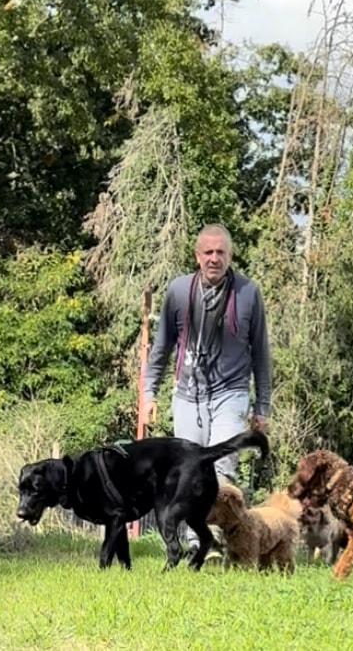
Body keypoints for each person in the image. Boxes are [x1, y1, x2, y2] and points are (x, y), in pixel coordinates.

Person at [141, 223, 272, 555]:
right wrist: (148, 393)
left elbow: (261, 352)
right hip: (188, 392)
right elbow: (161, 347)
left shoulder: (248, 293)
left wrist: (262, 407)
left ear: (230, 255)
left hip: (231, 391)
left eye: (221, 252)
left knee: (221, 465)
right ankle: (197, 540)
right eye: (208, 252)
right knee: (190, 468)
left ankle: (220, 542)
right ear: (197, 256)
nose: (215, 258)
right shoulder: (178, 291)